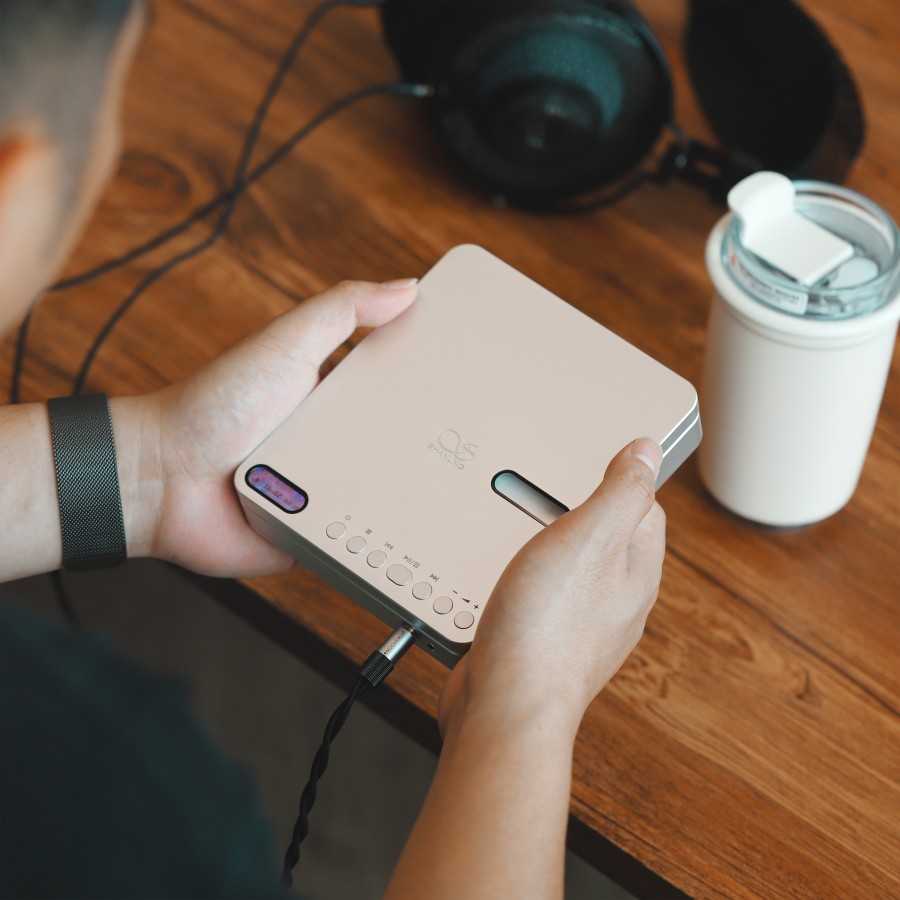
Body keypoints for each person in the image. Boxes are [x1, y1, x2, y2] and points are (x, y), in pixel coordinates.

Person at [0, 1, 666, 897]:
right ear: (12, 188)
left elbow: (158, 468)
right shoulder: (113, 793)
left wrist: (153, 469)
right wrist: (524, 705)